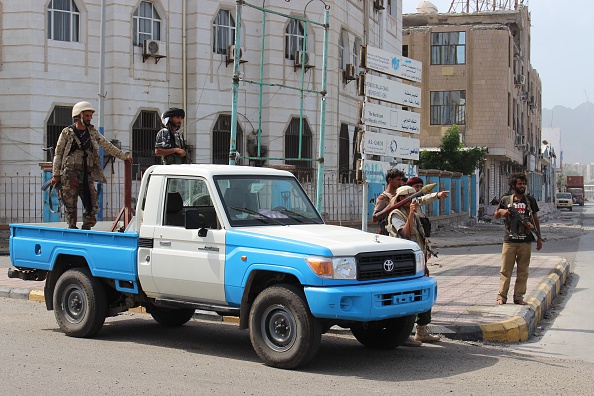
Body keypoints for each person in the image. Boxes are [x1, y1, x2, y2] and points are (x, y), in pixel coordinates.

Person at [51, 101, 132, 230]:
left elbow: (107, 145)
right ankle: (72, 228)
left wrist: (123, 156)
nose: (89, 118)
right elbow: (58, 153)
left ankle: (86, 228)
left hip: (86, 173)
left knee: (92, 203)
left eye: (90, 116)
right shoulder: (67, 132)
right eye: (87, 116)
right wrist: (56, 174)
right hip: (70, 172)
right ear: (79, 116)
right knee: (70, 204)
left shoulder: (92, 132)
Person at [387, 185, 441, 346]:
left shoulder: (416, 215)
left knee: (422, 293)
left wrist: (423, 262)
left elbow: (421, 239)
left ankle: (422, 330)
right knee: (403, 298)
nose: (413, 199)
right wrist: (410, 213)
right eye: (410, 196)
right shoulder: (395, 215)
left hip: (416, 263)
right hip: (401, 264)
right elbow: (405, 233)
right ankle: (401, 334)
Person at [493, 173, 543, 305]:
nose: (522, 186)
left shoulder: (530, 200)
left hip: (525, 241)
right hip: (509, 241)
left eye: (524, 184)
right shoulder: (505, 200)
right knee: (505, 271)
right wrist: (501, 212)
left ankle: (519, 297)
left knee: (523, 271)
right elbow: (496, 215)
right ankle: (501, 297)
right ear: (513, 185)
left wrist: (539, 237)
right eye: (519, 184)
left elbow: (535, 219)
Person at [372, 168, 405, 234]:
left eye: (401, 180)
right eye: (398, 180)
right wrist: (390, 207)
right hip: (388, 232)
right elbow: (374, 218)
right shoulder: (383, 197)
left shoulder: (400, 195)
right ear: (390, 180)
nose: (400, 182)